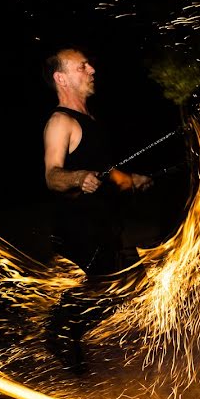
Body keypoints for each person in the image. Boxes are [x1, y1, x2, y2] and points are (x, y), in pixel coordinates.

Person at [41, 45, 153, 373]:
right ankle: (58, 335)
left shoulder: (90, 120)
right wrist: (77, 177)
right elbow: (52, 175)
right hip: (80, 228)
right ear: (61, 78)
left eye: (89, 65)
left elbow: (103, 169)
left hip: (103, 224)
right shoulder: (61, 122)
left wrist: (129, 179)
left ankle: (64, 335)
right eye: (82, 67)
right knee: (105, 292)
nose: (91, 70)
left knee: (110, 289)